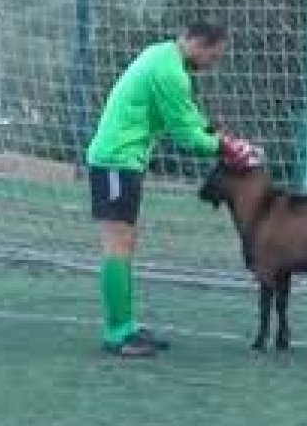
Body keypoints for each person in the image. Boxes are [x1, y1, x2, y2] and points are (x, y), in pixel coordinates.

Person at [85, 22, 259, 357]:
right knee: (117, 244)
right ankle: (117, 333)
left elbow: (186, 115)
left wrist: (217, 135)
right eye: (213, 56)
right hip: (115, 161)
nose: (212, 64)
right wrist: (227, 148)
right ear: (197, 43)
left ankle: (126, 326)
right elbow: (186, 136)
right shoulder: (170, 72)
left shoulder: (163, 57)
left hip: (121, 160)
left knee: (124, 243)